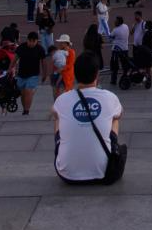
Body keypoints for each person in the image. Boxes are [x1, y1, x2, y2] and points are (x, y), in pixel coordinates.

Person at [52, 52, 125, 184]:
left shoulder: (62, 99)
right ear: (97, 74)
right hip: (104, 172)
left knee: (58, 117)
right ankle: (110, 148)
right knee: (114, 118)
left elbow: (54, 112)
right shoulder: (109, 97)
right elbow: (119, 114)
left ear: (75, 74)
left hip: (67, 174)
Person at [15, 32, 46, 115]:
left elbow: (44, 62)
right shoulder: (21, 47)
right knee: (23, 93)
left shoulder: (40, 49)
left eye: (34, 41)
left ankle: (26, 110)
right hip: (21, 74)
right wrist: (10, 69)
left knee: (28, 90)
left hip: (33, 75)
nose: (31, 43)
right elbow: (15, 59)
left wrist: (45, 73)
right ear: (27, 40)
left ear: (37, 41)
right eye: (30, 41)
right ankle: (25, 108)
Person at [109, 16, 130, 84]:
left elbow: (110, 37)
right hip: (125, 48)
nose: (114, 22)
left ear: (119, 22)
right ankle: (124, 77)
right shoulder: (126, 26)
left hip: (116, 50)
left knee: (114, 65)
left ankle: (113, 80)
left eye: (116, 21)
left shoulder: (115, 30)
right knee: (125, 64)